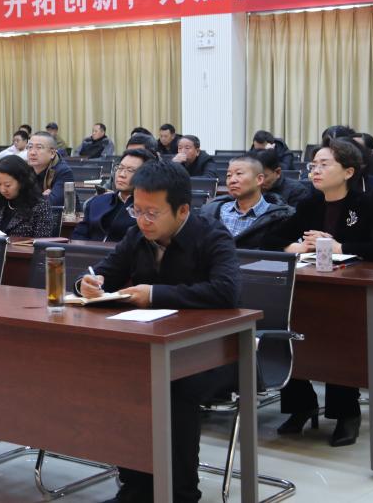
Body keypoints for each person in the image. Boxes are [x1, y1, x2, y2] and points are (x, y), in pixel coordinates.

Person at [78, 161, 240, 503]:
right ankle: (136, 487)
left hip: (213, 351)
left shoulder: (212, 236)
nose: (142, 220)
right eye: (137, 210)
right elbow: (104, 273)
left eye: (152, 213)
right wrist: (87, 283)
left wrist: (154, 294)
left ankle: (180, 493)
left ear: (182, 210)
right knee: (123, 379)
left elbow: (226, 291)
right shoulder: (136, 235)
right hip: (153, 346)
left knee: (173, 386)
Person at [264, 139, 373, 447]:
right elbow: (270, 240)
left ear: (348, 172)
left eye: (324, 165)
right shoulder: (309, 205)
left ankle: (346, 413)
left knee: (338, 336)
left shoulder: (369, 206)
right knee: (288, 329)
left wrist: (339, 247)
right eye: (313, 165)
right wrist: (297, 247)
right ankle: (301, 406)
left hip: (353, 293)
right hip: (310, 286)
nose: (315, 171)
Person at [200, 155, 294, 249]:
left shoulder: (280, 218)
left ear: (259, 179)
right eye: (229, 175)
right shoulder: (211, 211)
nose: (232, 180)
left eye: (239, 174)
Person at [71, 148, 154, 242]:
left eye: (130, 170)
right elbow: (78, 236)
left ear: (146, 175)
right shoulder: (96, 202)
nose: (122, 174)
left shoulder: (149, 211)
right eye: (120, 168)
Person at [0, 156, 59, 237]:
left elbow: (42, 241)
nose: (3, 190)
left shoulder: (40, 206)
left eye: (7, 185)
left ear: (21, 182)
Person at [26, 131, 74, 206]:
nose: (32, 152)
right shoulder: (24, 169)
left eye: (39, 147)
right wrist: (42, 196)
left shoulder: (63, 171)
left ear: (52, 153)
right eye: (30, 147)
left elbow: (52, 203)